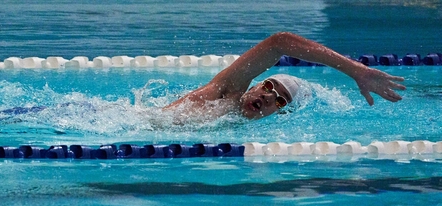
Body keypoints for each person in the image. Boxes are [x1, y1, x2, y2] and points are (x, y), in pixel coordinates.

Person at [164, 32, 406, 122]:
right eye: (269, 86)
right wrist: (356, 69)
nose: (268, 97)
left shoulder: (238, 127)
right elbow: (279, 43)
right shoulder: (226, 91)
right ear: (256, 84)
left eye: (280, 101)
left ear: (278, 113)